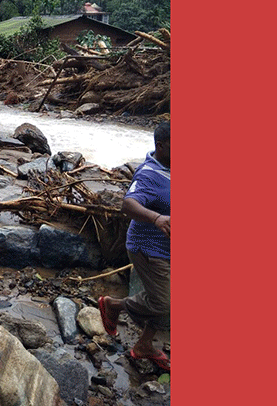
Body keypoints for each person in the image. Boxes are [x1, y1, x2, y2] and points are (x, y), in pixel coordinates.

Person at [98, 121, 171, 372]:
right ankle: (112, 305)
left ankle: (144, 346)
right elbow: (128, 204)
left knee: (168, 299)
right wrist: (156, 218)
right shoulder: (149, 174)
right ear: (161, 147)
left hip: (169, 247)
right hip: (148, 249)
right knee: (164, 302)